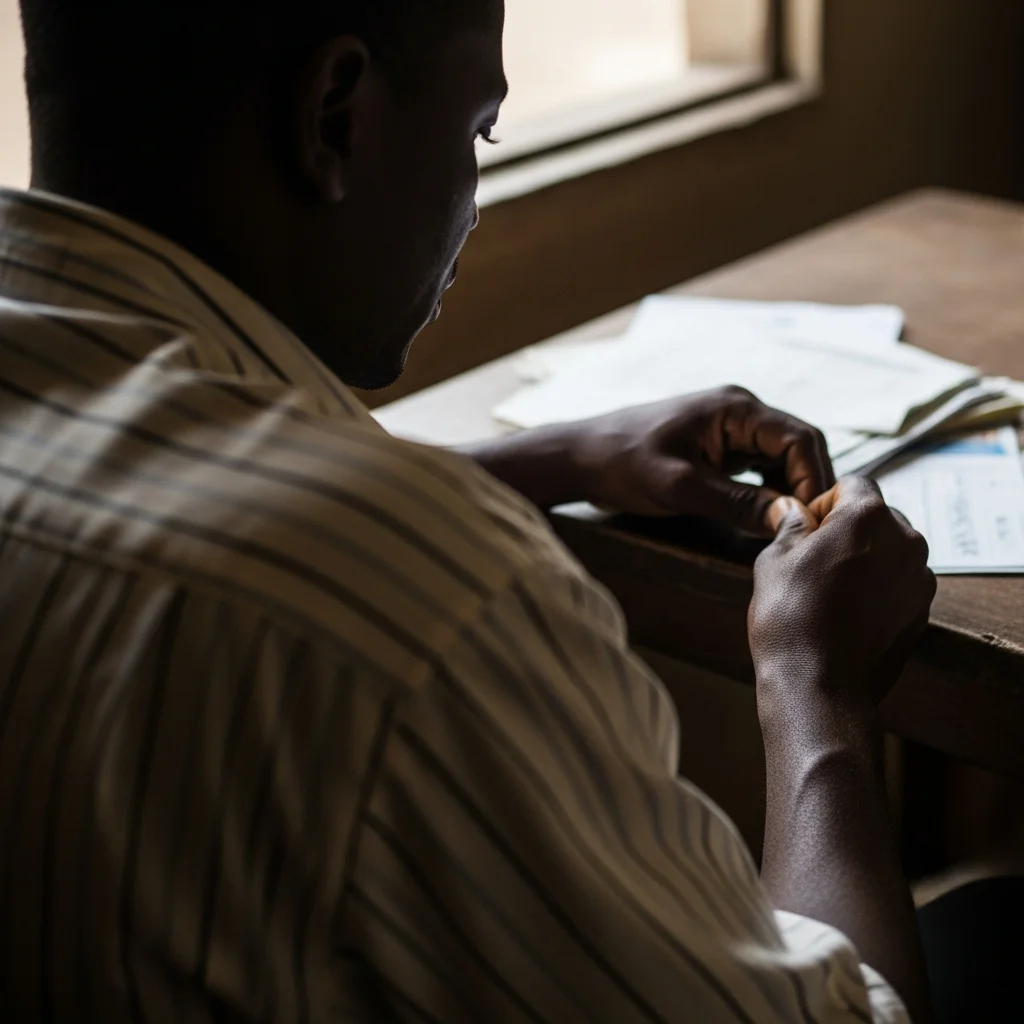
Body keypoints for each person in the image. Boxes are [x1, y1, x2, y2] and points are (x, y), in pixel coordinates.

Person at [0, 1, 949, 1021]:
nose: (476, 192)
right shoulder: (436, 609)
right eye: (476, 131)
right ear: (332, 117)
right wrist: (818, 688)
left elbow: (139, 485)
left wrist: (545, 458)